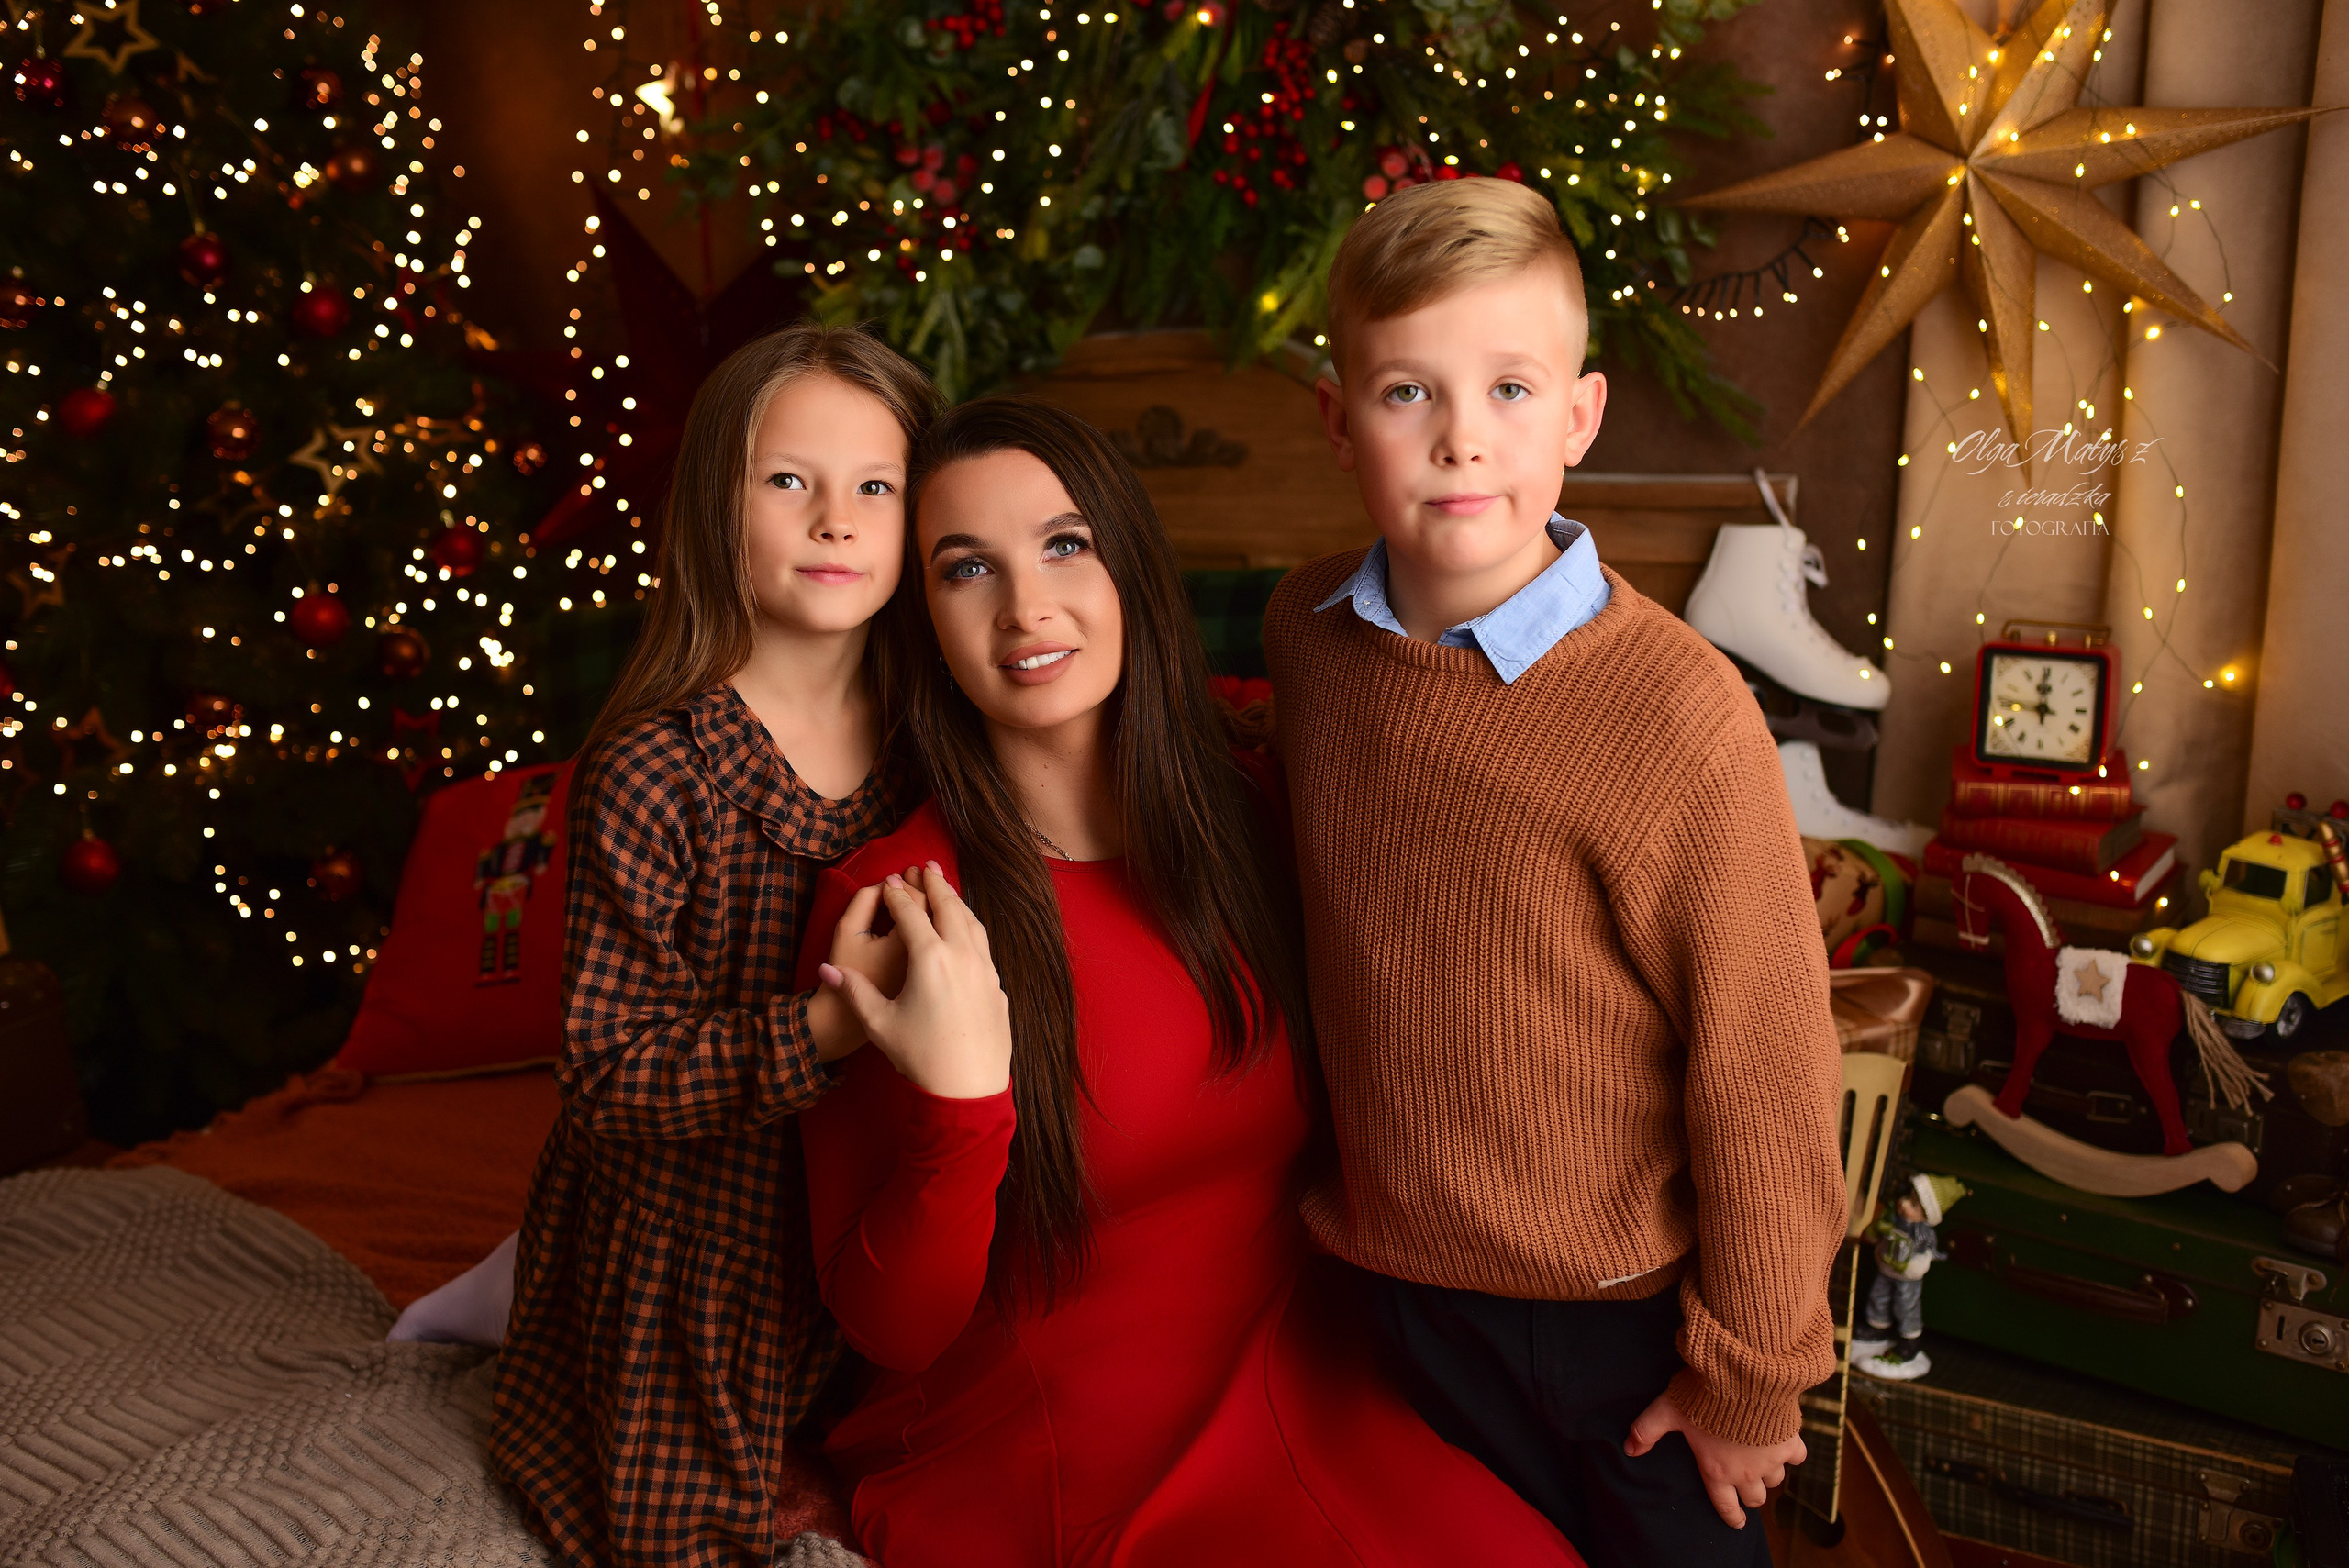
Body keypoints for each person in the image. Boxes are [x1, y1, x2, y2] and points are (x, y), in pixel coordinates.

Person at [793, 396, 1583, 1568]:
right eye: (967, 569)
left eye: (1065, 544)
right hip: (1044, 1452)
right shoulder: (901, 904)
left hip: (1319, 1385)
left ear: (1130, 567)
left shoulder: (1259, 810)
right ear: (923, 621)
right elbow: (890, 1327)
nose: (1026, 607)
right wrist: (960, 1105)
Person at [1262, 176, 1848, 1566]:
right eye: (1407, 392)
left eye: (1511, 389)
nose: (1462, 436)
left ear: (1580, 416)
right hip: (1390, 1289)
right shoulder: (1306, 636)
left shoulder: (1676, 713)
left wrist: (1752, 1372)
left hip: (1622, 1325)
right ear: (1338, 421)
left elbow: (1767, 1065)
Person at [486, 324, 941, 1568]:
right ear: (713, 506)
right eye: (789, 479)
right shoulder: (655, 769)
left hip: (867, 1195)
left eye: (877, 486)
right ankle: (543, 1315)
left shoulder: (933, 739)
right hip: (698, 1227)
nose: (836, 519)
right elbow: (607, 1070)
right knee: (679, 1533)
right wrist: (828, 1025)